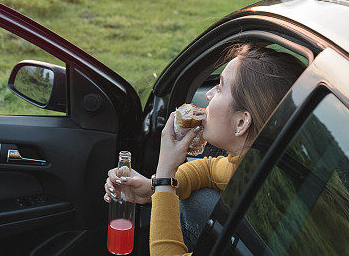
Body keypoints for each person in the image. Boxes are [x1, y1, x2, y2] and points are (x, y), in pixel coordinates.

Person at [103, 43, 305, 255]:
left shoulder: (268, 204)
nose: (208, 94)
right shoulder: (259, 165)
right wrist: (151, 188)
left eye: (220, 87)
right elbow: (210, 170)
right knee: (198, 199)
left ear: (241, 123)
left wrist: (165, 174)